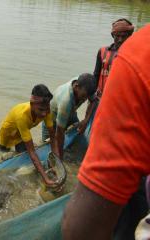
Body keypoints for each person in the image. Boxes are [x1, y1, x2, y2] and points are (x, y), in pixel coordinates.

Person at [62, 24, 150, 240]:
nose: (120, 39)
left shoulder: (138, 53)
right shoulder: (105, 52)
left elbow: (82, 229)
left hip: (123, 101)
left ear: (131, 34)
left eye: (124, 35)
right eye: (116, 35)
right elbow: (95, 78)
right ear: (112, 35)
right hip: (112, 101)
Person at [0, 84, 59, 188]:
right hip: (8, 134)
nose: (44, 114)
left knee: (23, 155)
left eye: (46, 109)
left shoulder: (46, 110)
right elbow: (32, 152)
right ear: (32, 104)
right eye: (41, 110)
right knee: (4, 157)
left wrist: (56, 164)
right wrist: (46, 179)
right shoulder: (22, 116)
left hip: (21, 134)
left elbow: (53, 138)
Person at [42, 73, 96, 159]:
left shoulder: (86, 85)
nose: (83, 99)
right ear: (76, 86)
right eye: (83, 96)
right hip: (51, 119)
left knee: (78, 135)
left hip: (71, 113)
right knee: (47, 150)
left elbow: (93, 101)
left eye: (86, 98)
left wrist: (86, 120)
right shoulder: (66, 101)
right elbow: (60, 133)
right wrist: (60, 159)